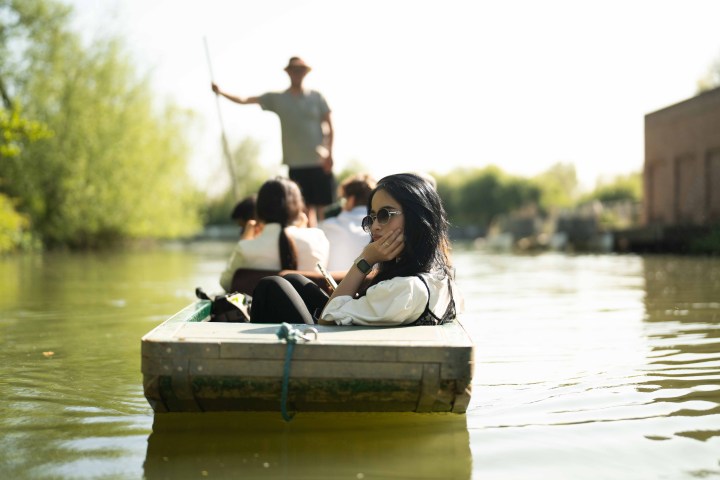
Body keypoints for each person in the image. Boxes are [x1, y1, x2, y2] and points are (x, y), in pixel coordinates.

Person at [249, 173, 458, 326]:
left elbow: (327, 318)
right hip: (352, 342)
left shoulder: (403, 290)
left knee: (270, 288)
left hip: (338, 359)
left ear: (416, 218)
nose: (375, 226)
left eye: (385, 215)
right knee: (295, 282)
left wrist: (365, 260)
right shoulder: (440, 279)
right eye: (373, 217)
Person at [212, 56, 334, 227]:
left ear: (305, 73)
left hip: (319, 162)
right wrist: (221, 92)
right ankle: (311, 245)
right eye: (294, 70)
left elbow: (329, 126)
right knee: (304, 210)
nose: (297, 73)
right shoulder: (278, 99)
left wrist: (329, 152)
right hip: (296, 163)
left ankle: (327, 244)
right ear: (289, 73)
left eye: (300, 70)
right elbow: (246, 99)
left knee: (323, 210)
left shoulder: (317, 97)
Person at [219, 177, 329, 292]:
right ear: (299, 208)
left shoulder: (246, 249)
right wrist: (303, 228)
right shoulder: (319, 239)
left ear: (259, 210)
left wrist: (245, 239)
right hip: (311, 310)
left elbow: (226, 283)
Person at [319, 173, 376, 271]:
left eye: (343, 199)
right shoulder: (384, 229)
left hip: (335, 285)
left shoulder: (326, 226)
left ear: (351, 200)